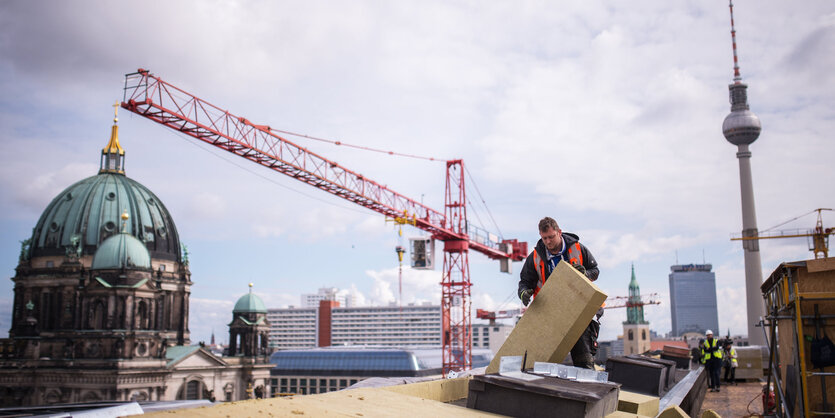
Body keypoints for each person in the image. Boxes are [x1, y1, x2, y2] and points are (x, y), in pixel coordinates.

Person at [518, 217, 600, 369]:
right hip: (550, 313)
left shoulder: (577, 248)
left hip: (579, 309)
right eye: (544, 238)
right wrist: (524, 293)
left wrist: (585, 274)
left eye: (551, 237)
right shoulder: (535, 257)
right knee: (542, 362)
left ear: (559, 232)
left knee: (584, 359)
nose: (548, 242)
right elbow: (524, 282)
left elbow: (595, 271)